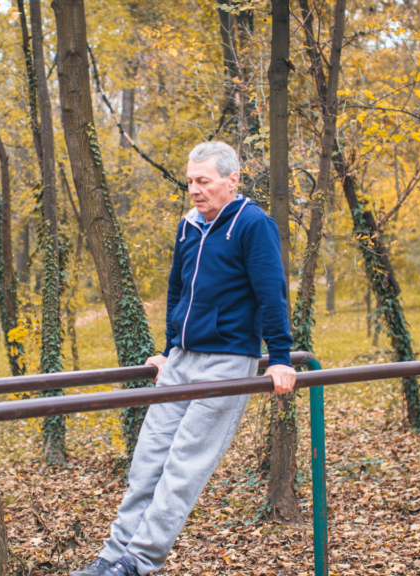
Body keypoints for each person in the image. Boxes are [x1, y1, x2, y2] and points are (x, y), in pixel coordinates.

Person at [70, 141, 297, 576]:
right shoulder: (189, 225)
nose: (194, 189)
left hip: (227, 361)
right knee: (147, 462)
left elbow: (272, 293)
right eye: (190, 181)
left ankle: (138, 562)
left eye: (203, 181)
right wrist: (168, 348)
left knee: (181, 468)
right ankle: (111, 557)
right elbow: (178, 290)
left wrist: (281, 357)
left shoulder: (252, 224)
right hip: (182, 359)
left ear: (232, 181)